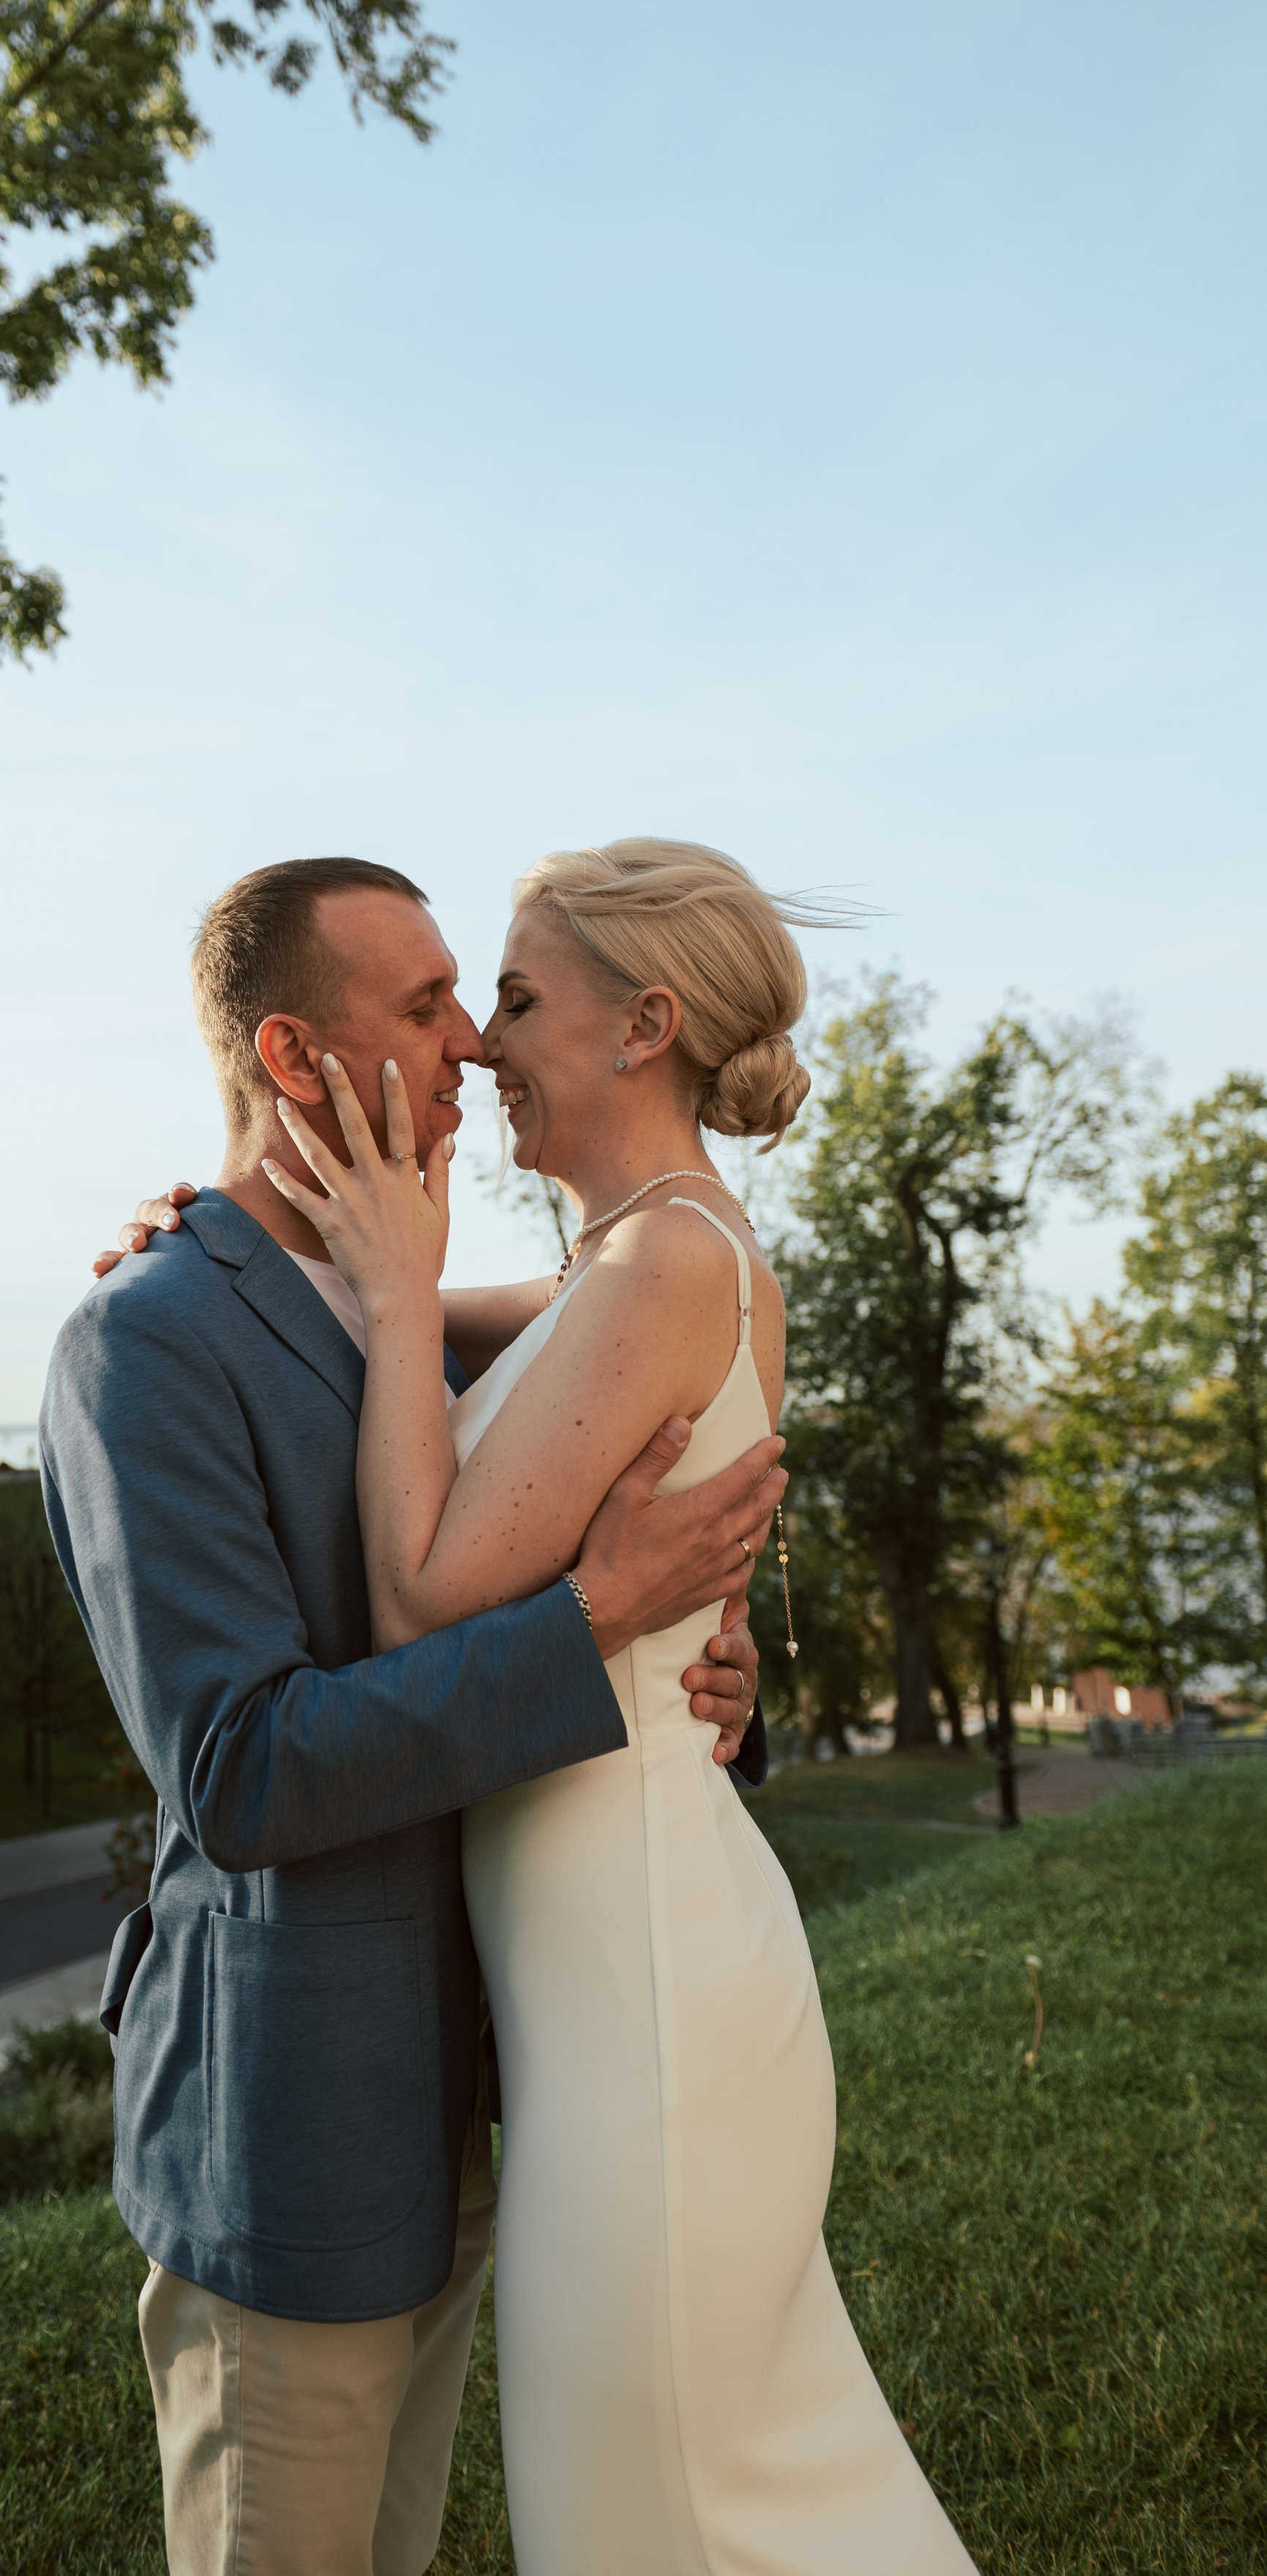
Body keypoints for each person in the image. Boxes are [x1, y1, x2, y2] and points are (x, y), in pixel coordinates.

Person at [40, 855, 786, 2576]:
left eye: (479, 996)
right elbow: (239, 1770)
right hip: (293, 2134)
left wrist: (704, 1668)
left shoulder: (425, 1336)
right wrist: (600, 1619)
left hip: (483, 2095)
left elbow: (628, 1455)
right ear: (296, 1059)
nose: (464, 1043)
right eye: (424, 1004)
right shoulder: (142, 1343)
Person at [257, 837, 977, 2575]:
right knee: (701, 2493)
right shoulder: (632, 1260)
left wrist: (397, 1283)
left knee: (656, 2512)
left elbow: (423, 1590)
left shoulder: (664, 1266)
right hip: (613, 1983)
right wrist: (229, 1236)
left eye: (511, 999)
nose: (485, 1047)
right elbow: (403, 1324)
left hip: (642, 1990)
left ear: (644, 1022)